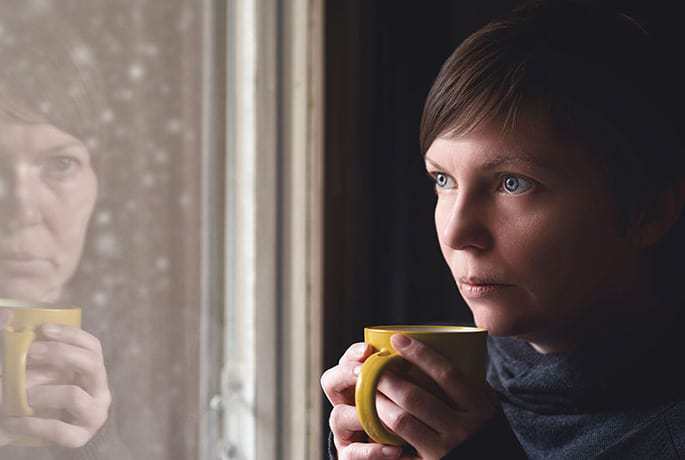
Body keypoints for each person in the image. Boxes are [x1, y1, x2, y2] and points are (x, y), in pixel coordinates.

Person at [321, 1, 685, 458]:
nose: (456, 232)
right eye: (443, 179)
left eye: (513, 183)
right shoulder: (452, 402)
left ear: (648, 212)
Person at [0, 10, 131, 460]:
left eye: (60, 165)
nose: (21, 211)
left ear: (99, 182)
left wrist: (97, 447)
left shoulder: (185, 352)